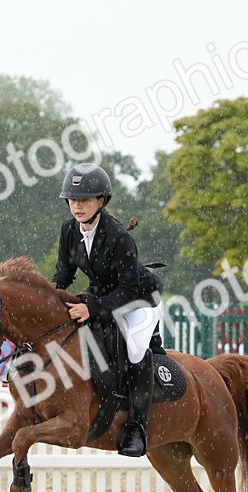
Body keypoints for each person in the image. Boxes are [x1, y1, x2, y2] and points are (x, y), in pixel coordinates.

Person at [50, 162, 162, 457]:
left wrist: (92, 309)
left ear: (102, 201)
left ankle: (138, 427)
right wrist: (50, 298)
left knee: (137, 349)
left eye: (85, 199)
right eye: (73, 200)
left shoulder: (118, 235)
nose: (78, 206)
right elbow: (64, 274)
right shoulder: (69, 230)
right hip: (104, 296)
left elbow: (127, 289)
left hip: (139, 299)